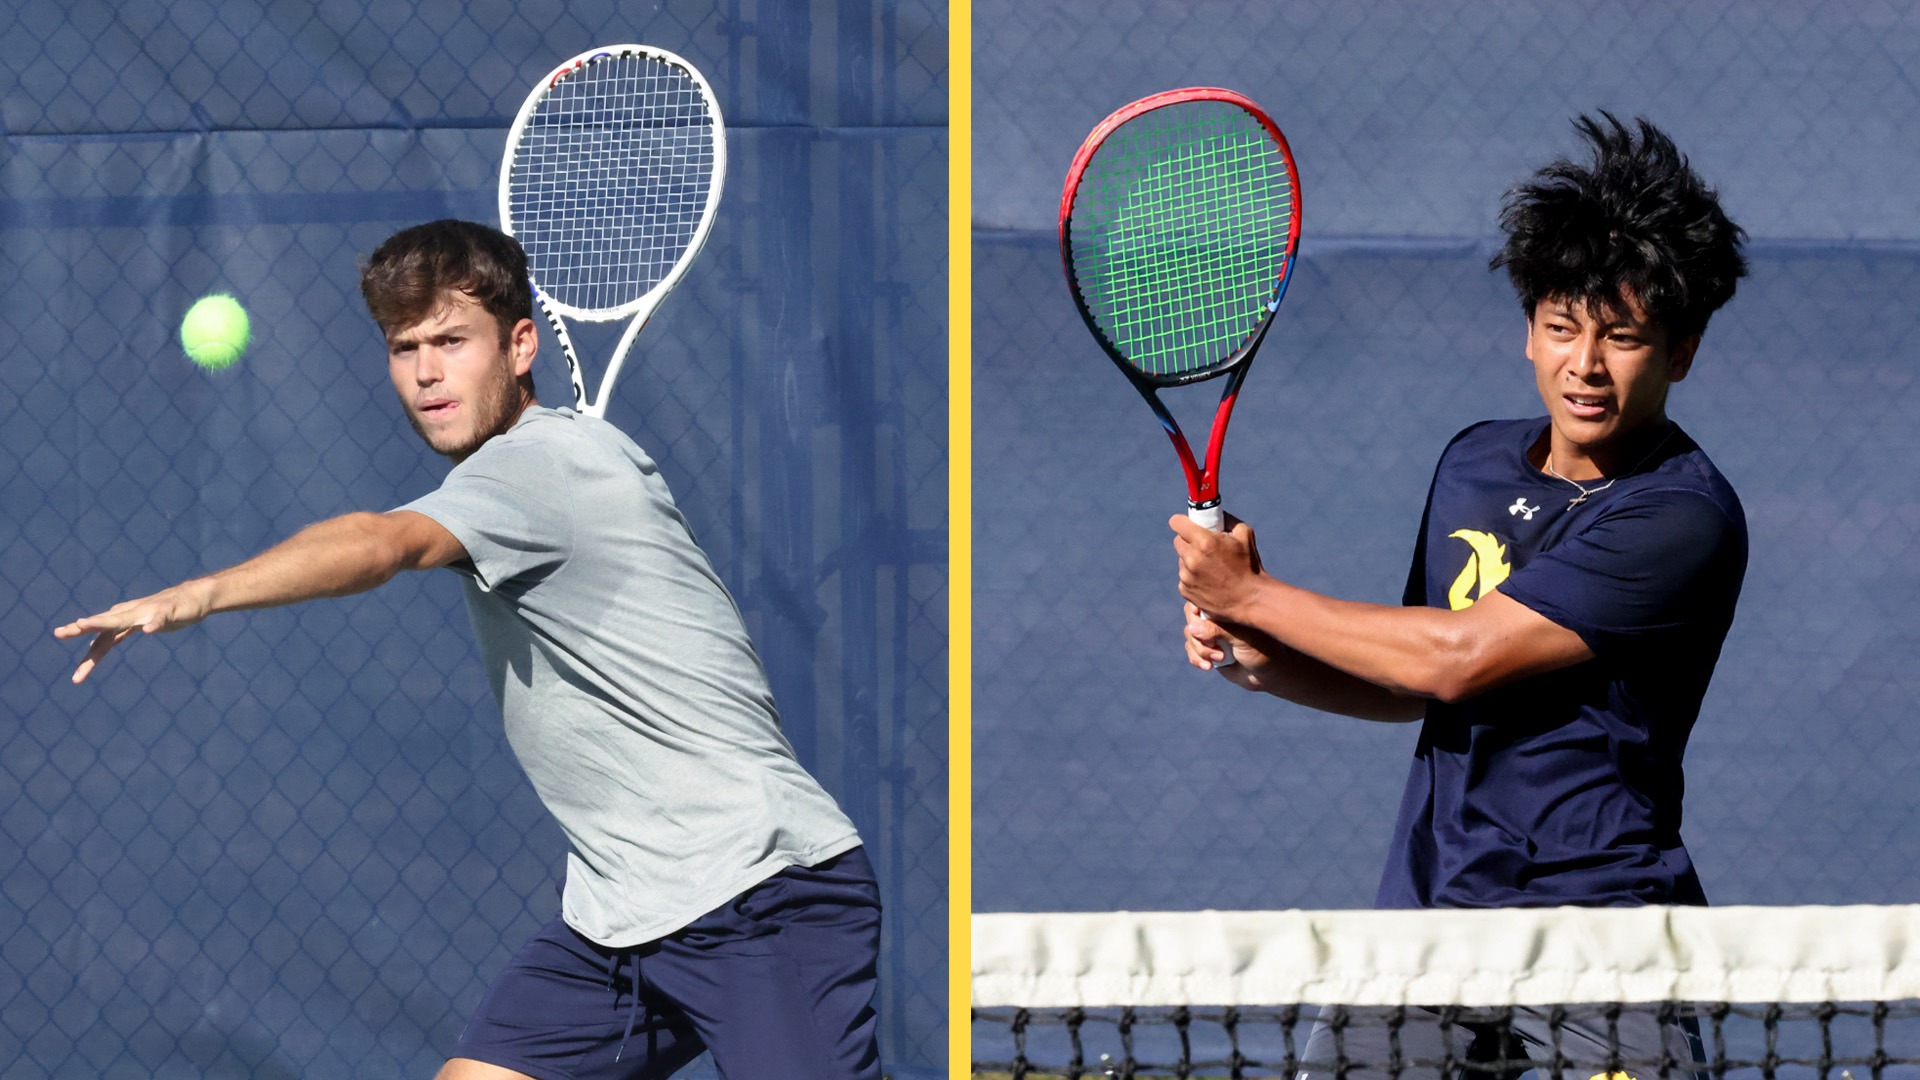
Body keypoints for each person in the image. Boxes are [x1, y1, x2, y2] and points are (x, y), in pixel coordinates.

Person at [54, 220, 880, 1080]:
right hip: (621, 912)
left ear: (521, 346)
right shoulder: (544, 462)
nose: (425, 372)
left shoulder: (542, 466)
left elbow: (385, 542)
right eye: (403, 346)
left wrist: (203, 592)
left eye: (452, 340)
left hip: (760, 896)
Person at [1172, 114, 1748, 1079]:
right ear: (1529, 332)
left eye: (1624, 338)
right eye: (1562, 329)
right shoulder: (1474, 460)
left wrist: (1257, 593)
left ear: (1681, 351)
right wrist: (1262, 658)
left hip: (1597, 930)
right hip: (1432, 919)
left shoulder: (1681, 517)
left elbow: (1460, 653)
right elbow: (1417, 683)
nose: (1586, 365)